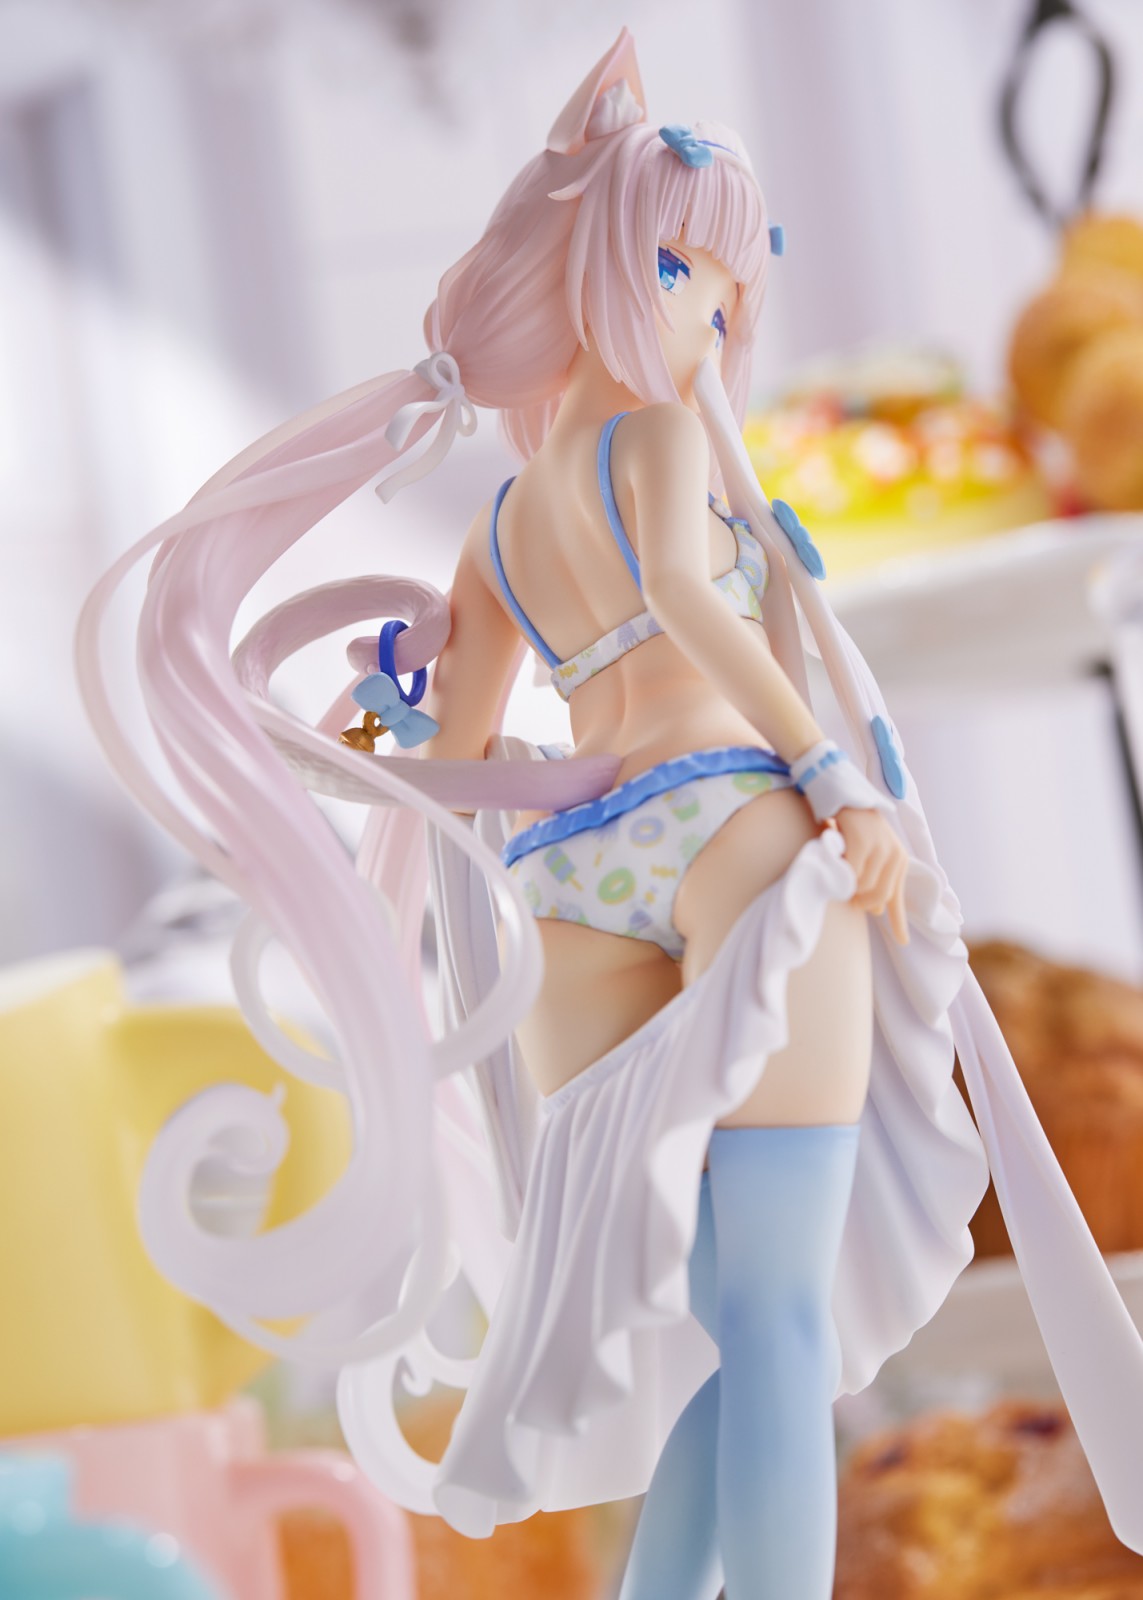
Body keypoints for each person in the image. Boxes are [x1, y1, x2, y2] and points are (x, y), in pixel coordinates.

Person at [78, 29, 1143, 1599]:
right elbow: (691, 610)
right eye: (692, 272)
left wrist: (358, 721)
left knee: (726, 1336)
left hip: (574, 884)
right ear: (614, 277)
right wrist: (836, 777)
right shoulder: (659, 437)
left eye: (731, 280)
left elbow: (446, 751)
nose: (722, 308)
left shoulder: (504, 524)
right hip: (730, 826)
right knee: (778, 1323)